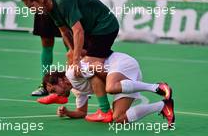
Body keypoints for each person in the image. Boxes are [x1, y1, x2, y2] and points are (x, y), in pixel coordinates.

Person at [42, 52, 175, 127]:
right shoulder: (76, 89)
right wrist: (67, 112)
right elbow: (82, 112)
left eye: (54, 90)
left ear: (61, 80)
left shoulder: (73, 73)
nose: (55, 95)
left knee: (110, 87)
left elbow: (97, 66)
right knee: (118, 118)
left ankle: (156, 87)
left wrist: (108, 83)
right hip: (123, 80)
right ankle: (163, 106)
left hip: (122, 64)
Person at [21, 0, 119, 81]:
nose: (32, 10)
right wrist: (73, 51)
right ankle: (67, 94)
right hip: (91, 31)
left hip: (105, 27)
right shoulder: (49, 7)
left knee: (88, 67)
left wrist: (77, 61)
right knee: (70, 57)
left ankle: (120, 80)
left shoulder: (62, 0)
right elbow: (64, 32)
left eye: (32, 6)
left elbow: (78, 31)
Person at [28, 0, 72, 96]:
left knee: (70, 44)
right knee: (46, 43)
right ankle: (45, 84)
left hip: (63, 2)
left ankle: (77, 84)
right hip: (41, 3)